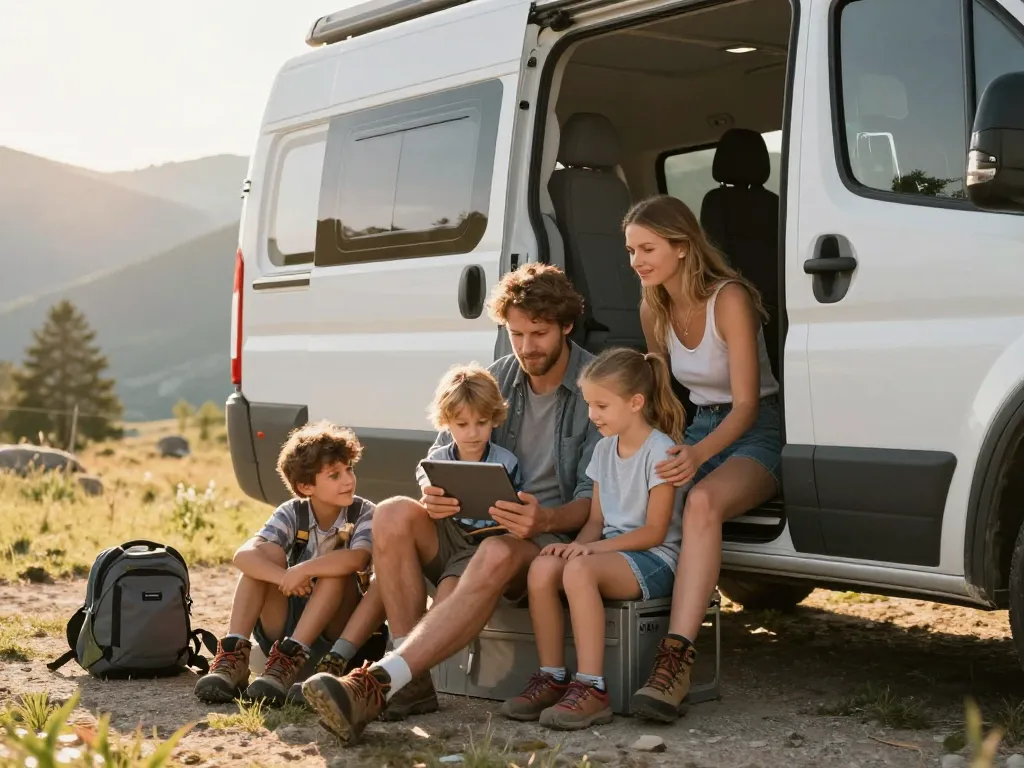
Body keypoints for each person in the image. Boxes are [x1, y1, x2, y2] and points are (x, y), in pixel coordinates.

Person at [300, 263, 602, 743]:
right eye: (516, 334)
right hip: (463, 528)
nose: (525, 348)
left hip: (536, 538)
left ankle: (380, 681)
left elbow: (591, 503)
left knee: (498, 550)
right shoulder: (498, 377)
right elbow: (444, 452)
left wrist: (542, 517)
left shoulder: (596, 387)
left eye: (538, 334)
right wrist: (433, 497)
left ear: (567, 325)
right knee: (395, 511)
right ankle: (411, 683)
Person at [623, 194, 782, 722]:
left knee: (703, 501)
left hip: (757, 426)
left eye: (647, 248)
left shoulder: (728, 298)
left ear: (683, 246)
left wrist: (694, 456)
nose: (637, 261)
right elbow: (670, 395)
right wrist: (656, 450)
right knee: (648, 493)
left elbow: (745, 405)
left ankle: (676, 660)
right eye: (630, 251)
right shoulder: (654, 306)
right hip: (700, 426)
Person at [501, 346, 687, 730]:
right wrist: (573, 547)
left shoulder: (661, 451)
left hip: (654, 559)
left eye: (601, 406)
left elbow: (653, 531)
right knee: (543, 568)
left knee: (579, 571)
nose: (592, 415)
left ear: (636, 402)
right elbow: (596, 520)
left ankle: (592, 689)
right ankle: (553, 677)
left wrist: (588, 551)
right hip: (610, 552)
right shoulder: (604, 449)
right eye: (589, 405)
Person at [193, 420, 383, 707]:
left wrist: (304, 569)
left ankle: (293, 657)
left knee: (337, 569)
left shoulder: (363, 511)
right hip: (285, 621)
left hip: (336, 627)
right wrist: (284, 576)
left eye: (349, 469)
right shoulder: (293, 512)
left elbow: (358, 559)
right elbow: (242, 556)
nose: (348, 480)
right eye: (334, 475)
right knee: (265, 554)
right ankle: (234, 658)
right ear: (306, 486)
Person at [415, 362, 523, 538]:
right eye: (462, 424)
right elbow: (422, 471)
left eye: (482, 422)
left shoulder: (507, 462)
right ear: (446, 422)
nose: (473, 433)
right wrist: (427, 488)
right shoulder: (437, 461)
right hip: (447, 538)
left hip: (494, 538)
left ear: (494, 419)